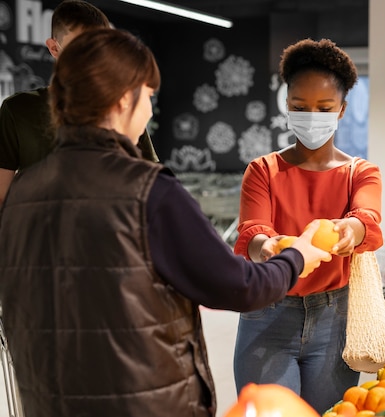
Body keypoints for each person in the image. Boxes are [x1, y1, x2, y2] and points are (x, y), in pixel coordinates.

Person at [0, 28, 332, 417]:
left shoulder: (22, 193)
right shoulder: (147, 191)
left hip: (46, 401)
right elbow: (239, 286)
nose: (150, 111)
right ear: (125, 98)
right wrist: (297, 259)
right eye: (149, 97)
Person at [233, 38, 384, 414]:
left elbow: (367, 219)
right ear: (287, 106)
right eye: (300, 107)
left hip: (335, 321)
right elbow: (251, 231)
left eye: (324, 108)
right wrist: (266, 247)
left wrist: (352, 230)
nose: (312, 115)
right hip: (267, 311)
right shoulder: (263, 171)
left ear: (342, 110)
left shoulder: (360, 173)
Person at [0, 0, 158, 205]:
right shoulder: (18, 110)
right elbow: (2, 197)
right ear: (54, 48)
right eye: (79, 49)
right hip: (39, 232)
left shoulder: (120, 107)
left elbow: (152, 188)